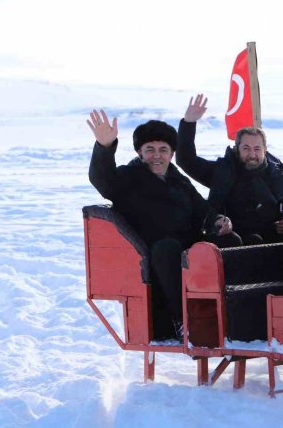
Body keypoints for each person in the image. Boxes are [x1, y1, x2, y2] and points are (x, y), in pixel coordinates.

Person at [86, 110, 233, 341]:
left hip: (186, 246)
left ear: (171, 154)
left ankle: (233, 314)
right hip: (152, 254)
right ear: (139, 152)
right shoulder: (128, 178)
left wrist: (217, 222)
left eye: (163, 150)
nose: (157, 156)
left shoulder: (179, 180)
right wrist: (104, 147)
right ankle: (182, 321)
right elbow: (102, 181)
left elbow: (201, 210)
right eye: (150, 150)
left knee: (230, 243)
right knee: (167, 249)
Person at [176, 94, 283, 245]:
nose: (252, 154)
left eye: (257, 149)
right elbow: (186, 160)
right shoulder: (222, 171)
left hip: (270, 242)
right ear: (237, 149)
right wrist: (188, 123)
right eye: (246, 148)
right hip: (232, 241)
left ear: (265, 150)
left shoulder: (280, 177)